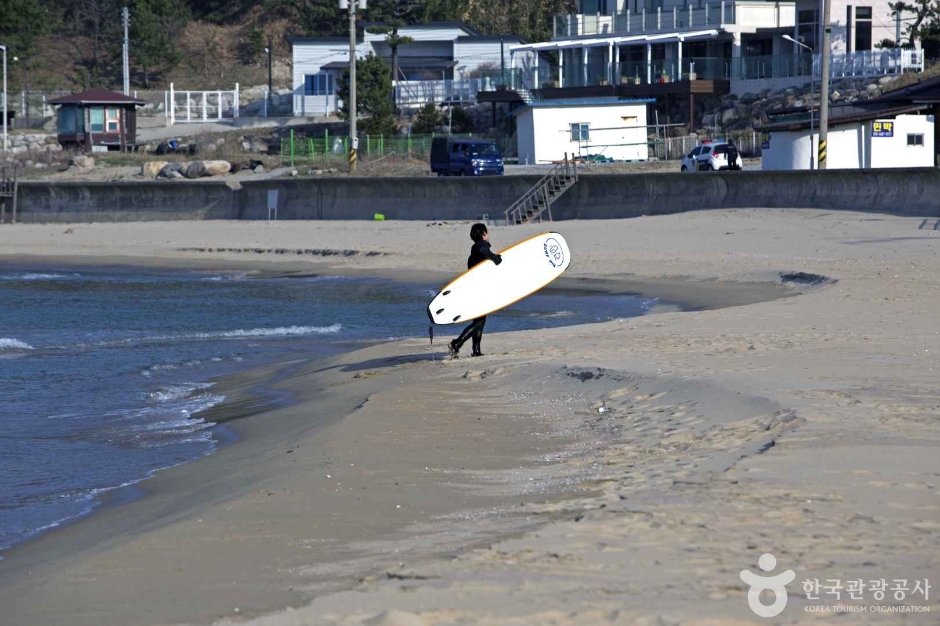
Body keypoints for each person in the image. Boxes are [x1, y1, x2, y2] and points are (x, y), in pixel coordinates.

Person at [449, 223, 502, 357]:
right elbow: (484, 251)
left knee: (479, 320)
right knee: (480, 321)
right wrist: (495, 258)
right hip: (478, 290)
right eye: (487, 232)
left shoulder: (474, 249)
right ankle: (457, 343)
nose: (488, 235)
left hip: (473, 289)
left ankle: (476, 350)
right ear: (484, 234)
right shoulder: (481, 246)